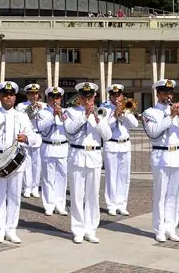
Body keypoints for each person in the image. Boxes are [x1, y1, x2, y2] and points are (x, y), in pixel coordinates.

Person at [0, 81, 40, 244]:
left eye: (11, 95)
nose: (8, 97)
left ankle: (11, 229)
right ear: (0, 96)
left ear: (15, 97)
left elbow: (36, 138)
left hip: (17, 160)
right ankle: (0, 229)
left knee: (15, 196)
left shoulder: (22, 116)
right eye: (5, 94)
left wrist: (26, 138)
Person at [142, 79, 179, 242]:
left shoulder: (178, 113)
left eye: (170, 93)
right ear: (157, 94)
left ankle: (171, 227)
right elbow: (153, 133)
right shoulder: (150, 113)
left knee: (174, 195)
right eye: (165, 92)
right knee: (160, 195)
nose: (168, 96)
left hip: (178, 156)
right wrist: (170, 116)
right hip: (161, 157)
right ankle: (159, 229)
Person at [64, 82, 112, 244]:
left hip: (94, 156)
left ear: (94, 97)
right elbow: (69, 130)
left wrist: (97, 119)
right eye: (84, 96)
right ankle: (78, 229)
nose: (87, 99)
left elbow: (107, 135)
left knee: (93, 196)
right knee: (77, 195)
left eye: (89, 96)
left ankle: (91, 229)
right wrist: (84, 115)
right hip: (77, 154)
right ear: (79, 97)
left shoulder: (102, 113)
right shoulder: (70, 112)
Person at [101, 84, 139, 216]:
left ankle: (122, 204)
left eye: (119, 95)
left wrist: (124, 114)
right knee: (111, 176)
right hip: (111, 144)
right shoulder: (104, 109)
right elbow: (105, 129)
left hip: (125, 145)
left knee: (124, 176)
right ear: (110, 96)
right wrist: (114, 115)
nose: (116, 97)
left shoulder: (127, 107)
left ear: (122, 95)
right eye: (114, 95)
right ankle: (111, 204)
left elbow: (135, 124)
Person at [36, 86, 69, 216]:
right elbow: (40, 128)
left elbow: (70, 129)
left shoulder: (66, 112)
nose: (55, 100)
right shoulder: (43, 113)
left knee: (62, 177)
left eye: (57, 97)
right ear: (48, 99)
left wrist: (62, 116)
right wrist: (52, 116)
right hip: (48, 146)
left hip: (62, 147)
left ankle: (60, 204)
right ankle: (49, 204)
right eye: (52, 98)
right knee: (48, 178)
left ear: (60, 99)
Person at [16, 83, 45, 198]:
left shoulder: (44, 105)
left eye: (36, 94)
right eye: (31, 94)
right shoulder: (21, 106)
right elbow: (21, 118)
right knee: (26, 163)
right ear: (27, 95)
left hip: (38, 136)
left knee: (37, 164)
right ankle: (27, 187)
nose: (34, 96)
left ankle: (35, 187)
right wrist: (31, 108)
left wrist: (40, 110)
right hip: (27, 135)